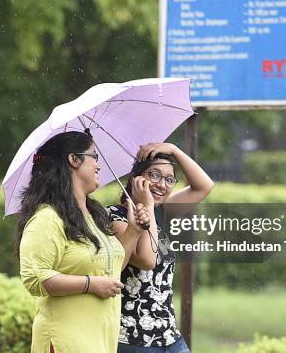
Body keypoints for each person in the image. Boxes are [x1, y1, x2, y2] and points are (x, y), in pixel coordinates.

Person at [17, 131, 154, 353]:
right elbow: (34, 278)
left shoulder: (93, 215)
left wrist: (134, 231)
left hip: (99, 339)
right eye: (94, 157)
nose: (99, 166)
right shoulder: (47, 218)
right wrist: (90, 284)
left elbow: (110, 270)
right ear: (74, 160)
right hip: (65, 341)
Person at [107, 143, 215, 352]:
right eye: (154, 175)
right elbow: (147, 260)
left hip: (169, 336)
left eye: (169, 179)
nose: (162, 185)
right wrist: (145, 205)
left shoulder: (161, 212)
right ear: (136, 178)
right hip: (133, 339)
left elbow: (204, 186)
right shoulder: (113, 216)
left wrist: (174, 150)